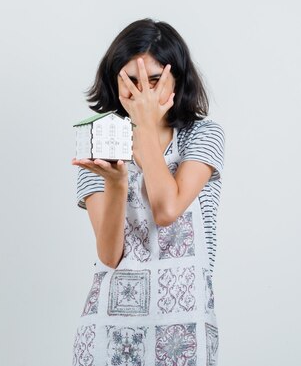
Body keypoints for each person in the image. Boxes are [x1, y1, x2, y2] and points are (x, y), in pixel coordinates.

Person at [70, 18, 225, 366]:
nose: (143, 94)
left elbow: (167, 208)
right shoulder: (98, 141)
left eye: (154, 80)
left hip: (185, 329)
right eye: (132, 82)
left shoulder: (202, 136)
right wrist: (116, 182)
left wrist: (142, 127)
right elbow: (110, 255)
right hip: (110, 330)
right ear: (115, 83)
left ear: (177, 78)